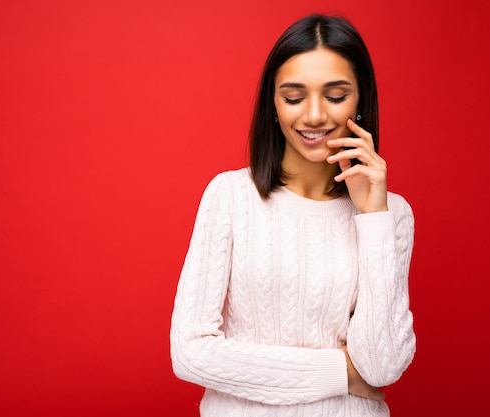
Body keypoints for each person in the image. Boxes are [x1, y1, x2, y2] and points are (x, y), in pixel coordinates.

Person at [170, 13, 416, 417]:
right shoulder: (230, 197)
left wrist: (373, 217)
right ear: (273, 103)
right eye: (294, 96)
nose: (315, 115)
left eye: (336, 95)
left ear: (361, 99)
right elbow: (191, 353)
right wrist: (342, 374)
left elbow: (382, 366)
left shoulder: (392, 215)